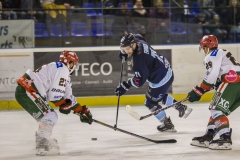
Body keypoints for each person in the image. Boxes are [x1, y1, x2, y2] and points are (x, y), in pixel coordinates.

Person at [15, 50, 93, 156]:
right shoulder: (63, 69)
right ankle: (42, 143)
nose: (74, 66)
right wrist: (66, 105)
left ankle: (43, 140)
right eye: (74, 63)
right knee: (50, 115)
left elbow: (68, 97)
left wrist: (81, 110)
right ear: (70, 62)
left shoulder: (63, 72)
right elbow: (55, 97)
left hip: (27, 91)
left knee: (48, 115)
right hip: (28, 91)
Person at [115, 33, 191, 132]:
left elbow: (139, 81)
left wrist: (126, 85)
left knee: (150, 102)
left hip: (160, 79)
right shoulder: (138, 41)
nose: (126, 51)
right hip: (167, 70)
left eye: (128, 49)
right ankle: (180, 107)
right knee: (157, 95)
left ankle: (167, 124)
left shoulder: (138, 60)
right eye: (124, 49)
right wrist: (126, 52)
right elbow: (139, 35)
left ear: (134, 45)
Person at [187, 35, 240, 150]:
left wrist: (199, 90)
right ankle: (209, 134)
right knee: (218, 111)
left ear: (206, 47)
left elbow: (211, 75)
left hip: (232, 82)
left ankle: (225, 138)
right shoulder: (222, 53)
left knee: (215, 108)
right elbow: (215, 80)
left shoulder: (212, 55)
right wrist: (200, 90)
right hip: (236, 83)